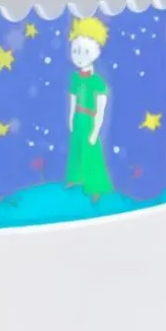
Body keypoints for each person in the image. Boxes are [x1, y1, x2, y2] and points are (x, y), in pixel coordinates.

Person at [65, 18, 115, 200]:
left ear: (96, 52)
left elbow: (101, 109)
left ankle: (96, 187)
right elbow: (73, 99)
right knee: (76, 148)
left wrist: (95, 130)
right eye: (76, 51)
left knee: (91, 151)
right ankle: (75, 178)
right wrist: (71, 117)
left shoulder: (98, 82)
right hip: (78, 118)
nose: (80, 56)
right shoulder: (74, 78)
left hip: (90, 120)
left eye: (85, 51)